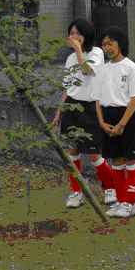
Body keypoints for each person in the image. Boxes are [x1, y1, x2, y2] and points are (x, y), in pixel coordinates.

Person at [52, 19, 115, 208]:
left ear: (85, 35)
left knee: (95, 155)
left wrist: (79, 50)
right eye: (71, 33)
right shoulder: (69, 59)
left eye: (77, 33)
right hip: (72, 107)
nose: (73, 37)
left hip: (90, 108)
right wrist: (58, 113)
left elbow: (87, 71)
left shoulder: (97, 53)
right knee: (72, 152)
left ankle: (110, 188)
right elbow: (67, 89)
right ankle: (76, 192)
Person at [93, 26, 135, 218]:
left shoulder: (131, 67)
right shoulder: (102, 70)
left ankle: (130, 203)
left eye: (110, 43)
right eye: (104, 44)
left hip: (127, 118)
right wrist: (101, 122)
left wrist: (122, 124)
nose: (107, 47)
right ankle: (120, 201)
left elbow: (134, 100)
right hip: (107, 118)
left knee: (130, 159)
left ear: (120, 44)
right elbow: (97, 98)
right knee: (115, 160)